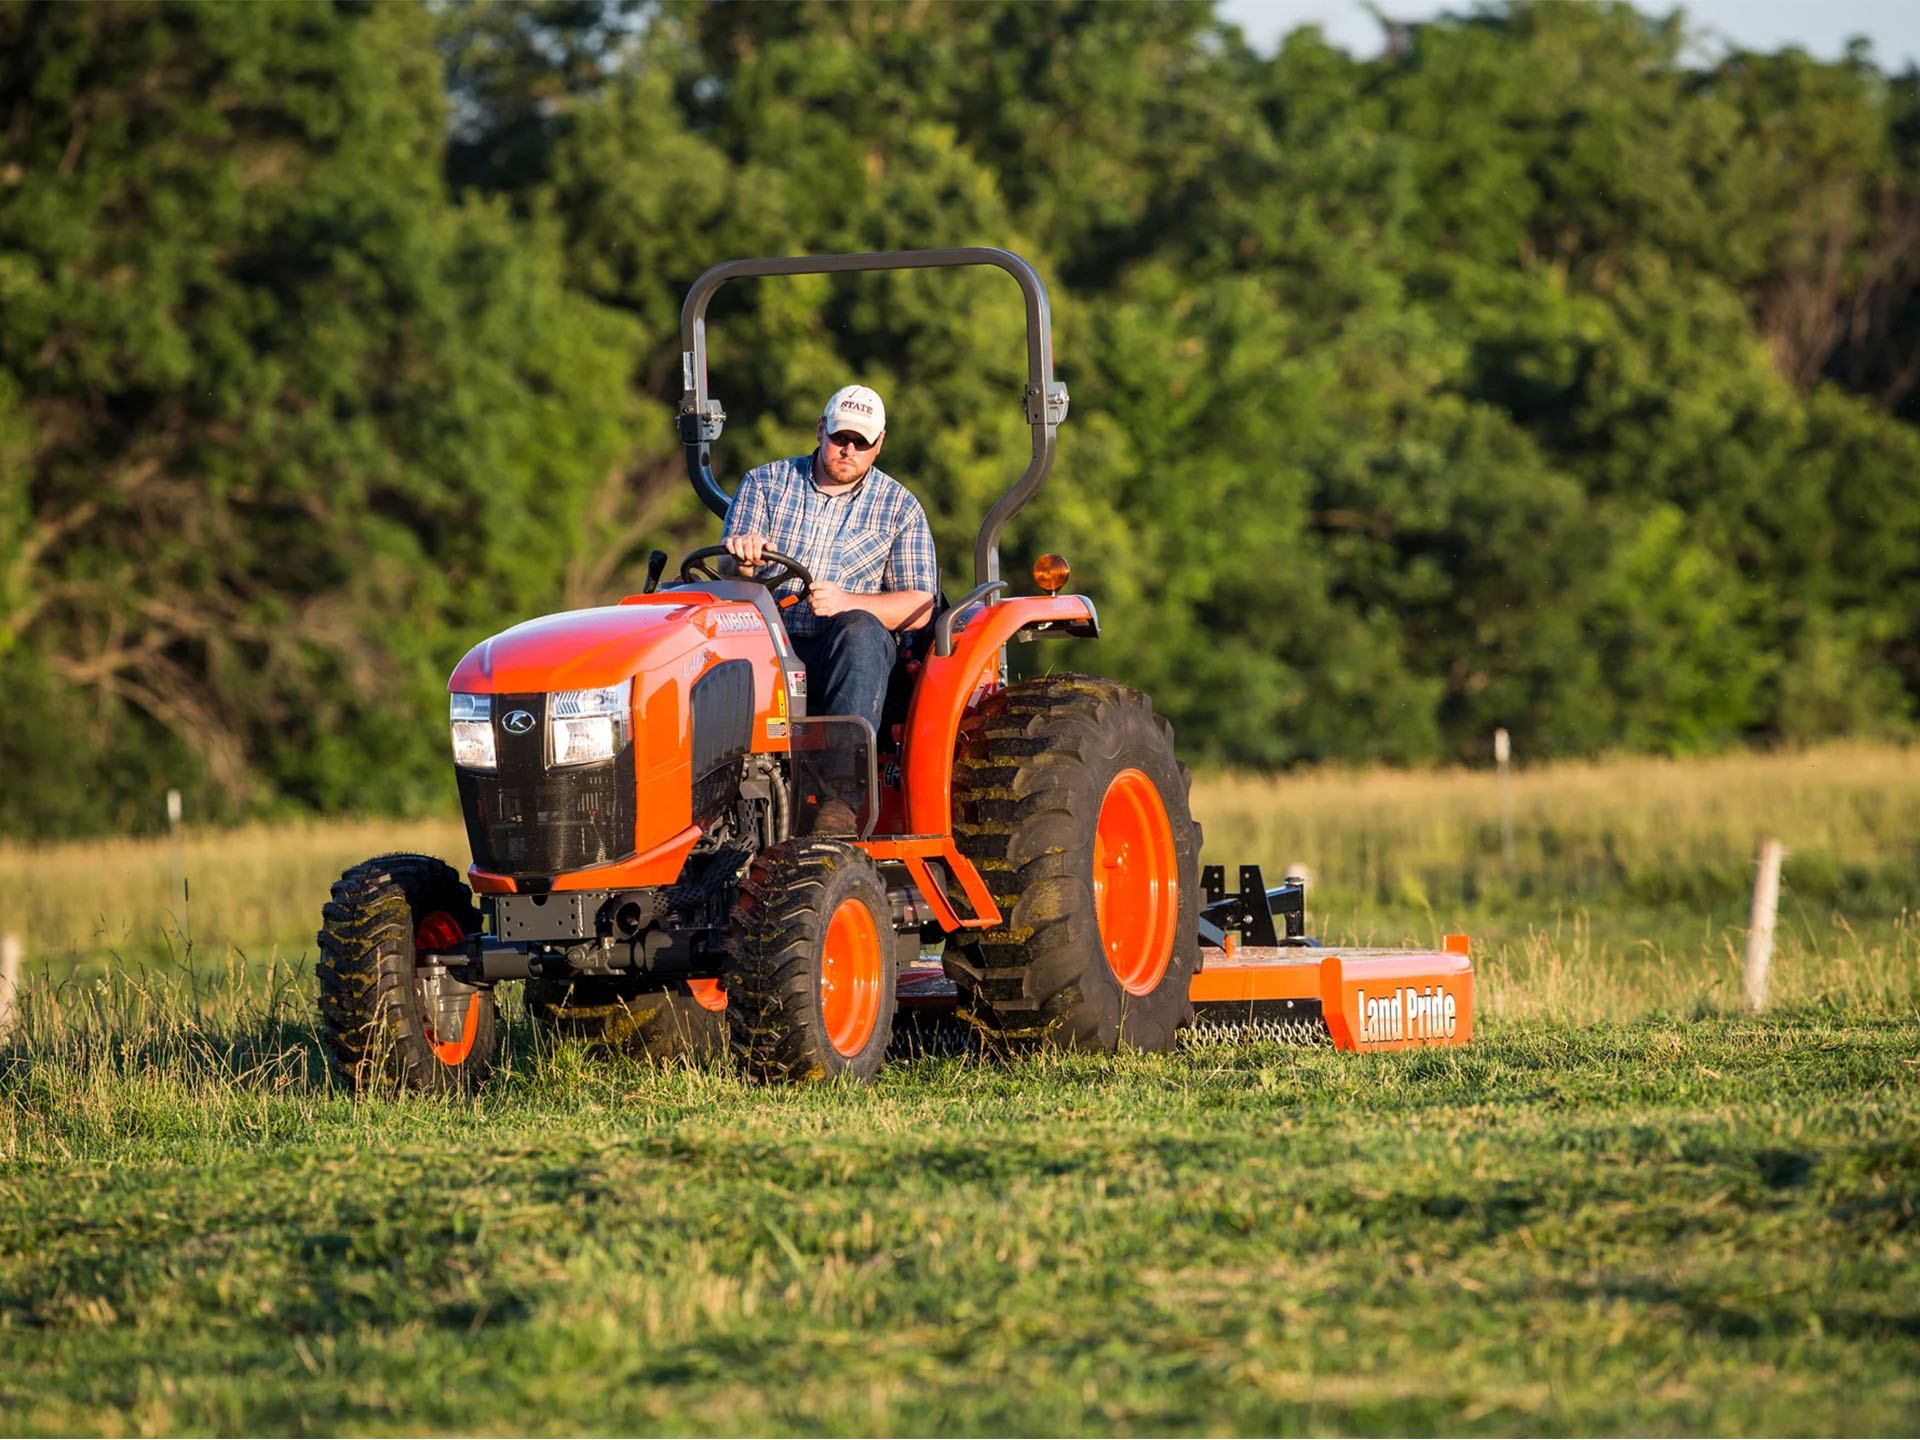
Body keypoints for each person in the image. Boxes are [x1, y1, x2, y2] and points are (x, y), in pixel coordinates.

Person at [722, 384, 938, 746]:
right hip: (768, 645)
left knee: (860, 629)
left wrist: (846, 602)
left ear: (879, 443)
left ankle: (840, 794)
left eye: (862, 441)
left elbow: (920, 606)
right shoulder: (764, 484)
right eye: (840, 436)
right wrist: (741, 560)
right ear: (821, 429)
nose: (849, 449)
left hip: (844, 654)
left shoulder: (899, 506)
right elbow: (726, 572)